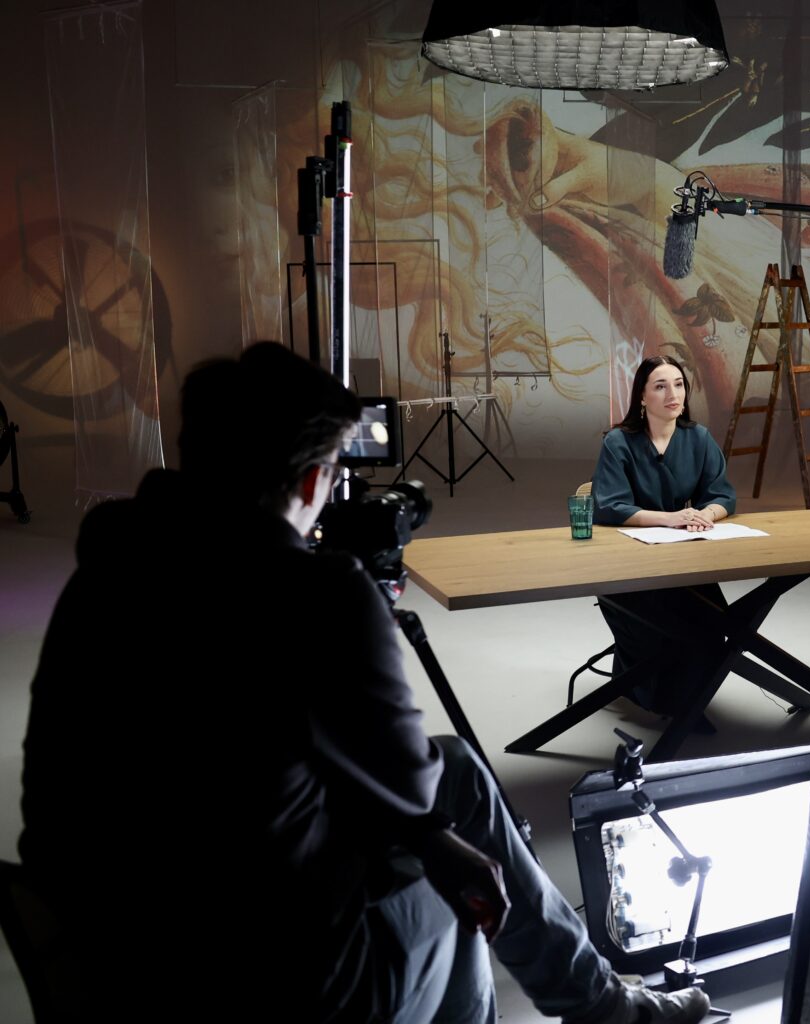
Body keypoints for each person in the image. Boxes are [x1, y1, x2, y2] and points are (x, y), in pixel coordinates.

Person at [19, 342, 709, 1023]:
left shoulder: (104, 573)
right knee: (465, 874)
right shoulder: (312, 594)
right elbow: (408, 791)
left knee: (457, 772)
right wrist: (358, 605)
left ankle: (601, 1005)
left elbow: (228, 749)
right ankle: (603, 1009)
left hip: (99, 953)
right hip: (266, 976)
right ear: (312, 483)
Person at [590, 355, 737, 720]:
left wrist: (705, 515)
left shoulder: (698, 438)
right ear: (642, 397)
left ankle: (686, 702)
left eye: (679, 384)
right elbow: (609, 506)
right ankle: (668, 705)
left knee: (716, 622)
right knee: (662, 628)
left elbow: (723, 495)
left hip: (681, 560)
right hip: (629, 564)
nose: (673, 394)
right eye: (660, 386)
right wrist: (670, 519)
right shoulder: (618, 443)